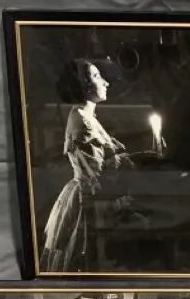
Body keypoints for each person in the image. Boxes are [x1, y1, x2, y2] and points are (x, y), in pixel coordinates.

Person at [40, 58, 134, 273]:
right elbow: (98, 175)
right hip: (90, 200)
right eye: (97, 76)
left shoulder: (85, 115)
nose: (105, 83)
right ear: (83, 84)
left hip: (93, 195)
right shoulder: (83, 121)